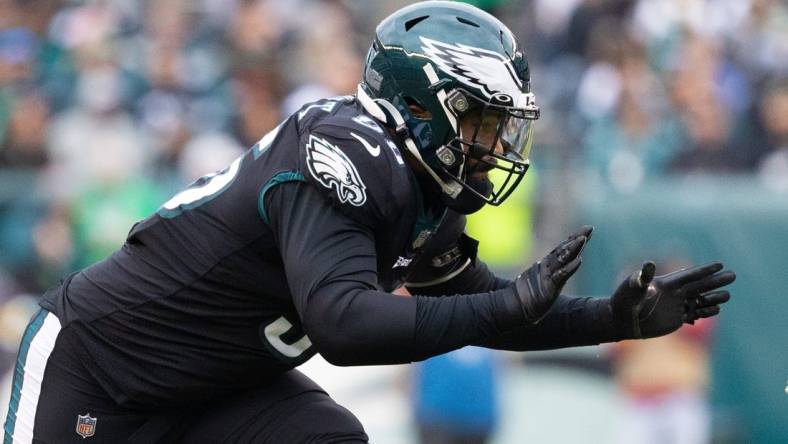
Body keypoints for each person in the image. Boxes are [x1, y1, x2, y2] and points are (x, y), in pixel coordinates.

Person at [3, 2, 735, 442]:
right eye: (481, 121)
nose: (496, 144)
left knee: (327, 436)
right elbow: (345, 327)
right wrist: (502, 306)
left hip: (216, 388)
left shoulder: (421, 189)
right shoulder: (340, 151)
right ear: (421, 105)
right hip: (100, 372)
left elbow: (499, 310)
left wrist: (616, 318)